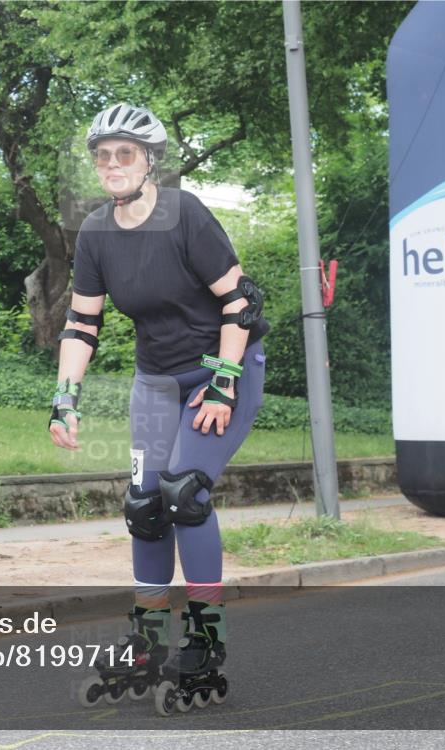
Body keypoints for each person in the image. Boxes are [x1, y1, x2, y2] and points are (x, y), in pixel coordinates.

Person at [50, 103, 269, 713]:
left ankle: (205, 640)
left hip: (223, 367)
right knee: (145, 505)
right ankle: (146, 640)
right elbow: (81, 322)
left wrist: (223, 384)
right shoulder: (95, 231)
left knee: (185, 492)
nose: (112, 164)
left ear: (149, 160)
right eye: (102, 155)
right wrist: (64, 399)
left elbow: (242, 304)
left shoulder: (185, 215)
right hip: (155, 382)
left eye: (125, 153)